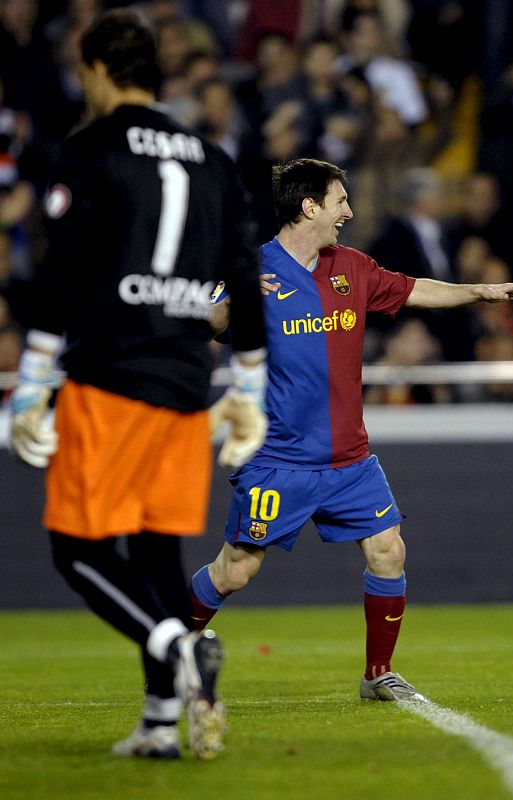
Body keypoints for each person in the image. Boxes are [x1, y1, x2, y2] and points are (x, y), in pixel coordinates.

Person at [9, 9, 267, 761]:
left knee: (76, 549)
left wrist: (31, 382)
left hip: (111, 375)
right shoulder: (213, 157)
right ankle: (160, 719)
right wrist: (247, 382)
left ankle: (181, 652)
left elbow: (64, 269)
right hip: (188, 385)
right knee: (156, 554)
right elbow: (244, 277)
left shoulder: (90, 148)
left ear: (94, 69)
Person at [189, 157, 513, 703]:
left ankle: (378, 673)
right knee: (235, 570)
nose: (349, 211)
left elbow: (415, 288)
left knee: (389, 551)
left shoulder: (351, 267)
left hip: (351, 460)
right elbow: (205, 322)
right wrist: (236, 294)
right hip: (279, 459)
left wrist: (483, 292)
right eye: (339, 201)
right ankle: (169, 649)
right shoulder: (252, 269)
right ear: (309, 207)